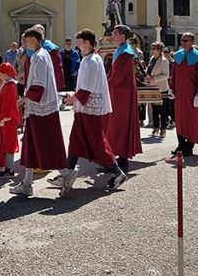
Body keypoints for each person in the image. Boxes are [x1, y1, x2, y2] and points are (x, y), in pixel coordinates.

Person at [52, 29, 127, 195]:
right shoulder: (89, 59)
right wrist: (75, 96)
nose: (78, 47)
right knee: (75, 141)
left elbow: (88, 87)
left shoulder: (93, 61)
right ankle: (67, 174)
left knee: (97, 144)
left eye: (79, 43)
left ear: (87, 42)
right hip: (84, 108)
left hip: (90, 110)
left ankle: (117, 173)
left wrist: (74, 98)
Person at [11, 27, 67, 197]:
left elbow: (39, 84)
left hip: (42, 107)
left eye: (26, 40)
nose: (24, 43)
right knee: (30, 143)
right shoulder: (37, 55)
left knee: (45, 142)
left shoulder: (41, 56)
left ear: (34, 40)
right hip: (36, 107)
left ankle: (66, 174)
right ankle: (27, 183)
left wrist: (24, 99)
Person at [105, 24, 142, 171]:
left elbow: (118, 76)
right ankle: (117, 160)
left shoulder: (125, 52)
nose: (112, 36)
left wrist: (104, 87)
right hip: (120, 92)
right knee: (116, 126)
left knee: (120, 125)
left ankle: (121, 162)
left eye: (115, 33)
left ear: (122, 36)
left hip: (122, 94)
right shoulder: (122, 50)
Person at [168, 33, 198, 161]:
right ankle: (181, 145)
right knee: (179, 119)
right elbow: (174, 74)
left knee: (191, 119)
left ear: (192, 42)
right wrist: (171, 87)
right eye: (182, 40)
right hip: (179, 94)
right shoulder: (178, 55)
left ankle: (189, 146)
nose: (183, 42)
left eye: (186, 40)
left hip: (191, 94)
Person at [0, 62, 21, 177]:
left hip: (8, 119)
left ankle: (10, 169)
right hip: (7, 118)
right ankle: (8, 168)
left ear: (6, 74)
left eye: (1, 74)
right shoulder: (8, 84)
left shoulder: (10, 86)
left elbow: (8, 104)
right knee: (7, 143)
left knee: (9, 143)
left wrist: (3, 117)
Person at [145, 41, 170, 137]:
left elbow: (166, 75)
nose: (152, 51)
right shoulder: (152, 59)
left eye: (154, 49)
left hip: (162, 88)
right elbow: (150, 70)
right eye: (152, 49)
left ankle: (163, 129)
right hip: (152, 87)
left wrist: (153, 78)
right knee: (154, 109)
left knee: (162, 110)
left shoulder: (164, 61)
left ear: (160, 50)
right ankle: (155, 127)